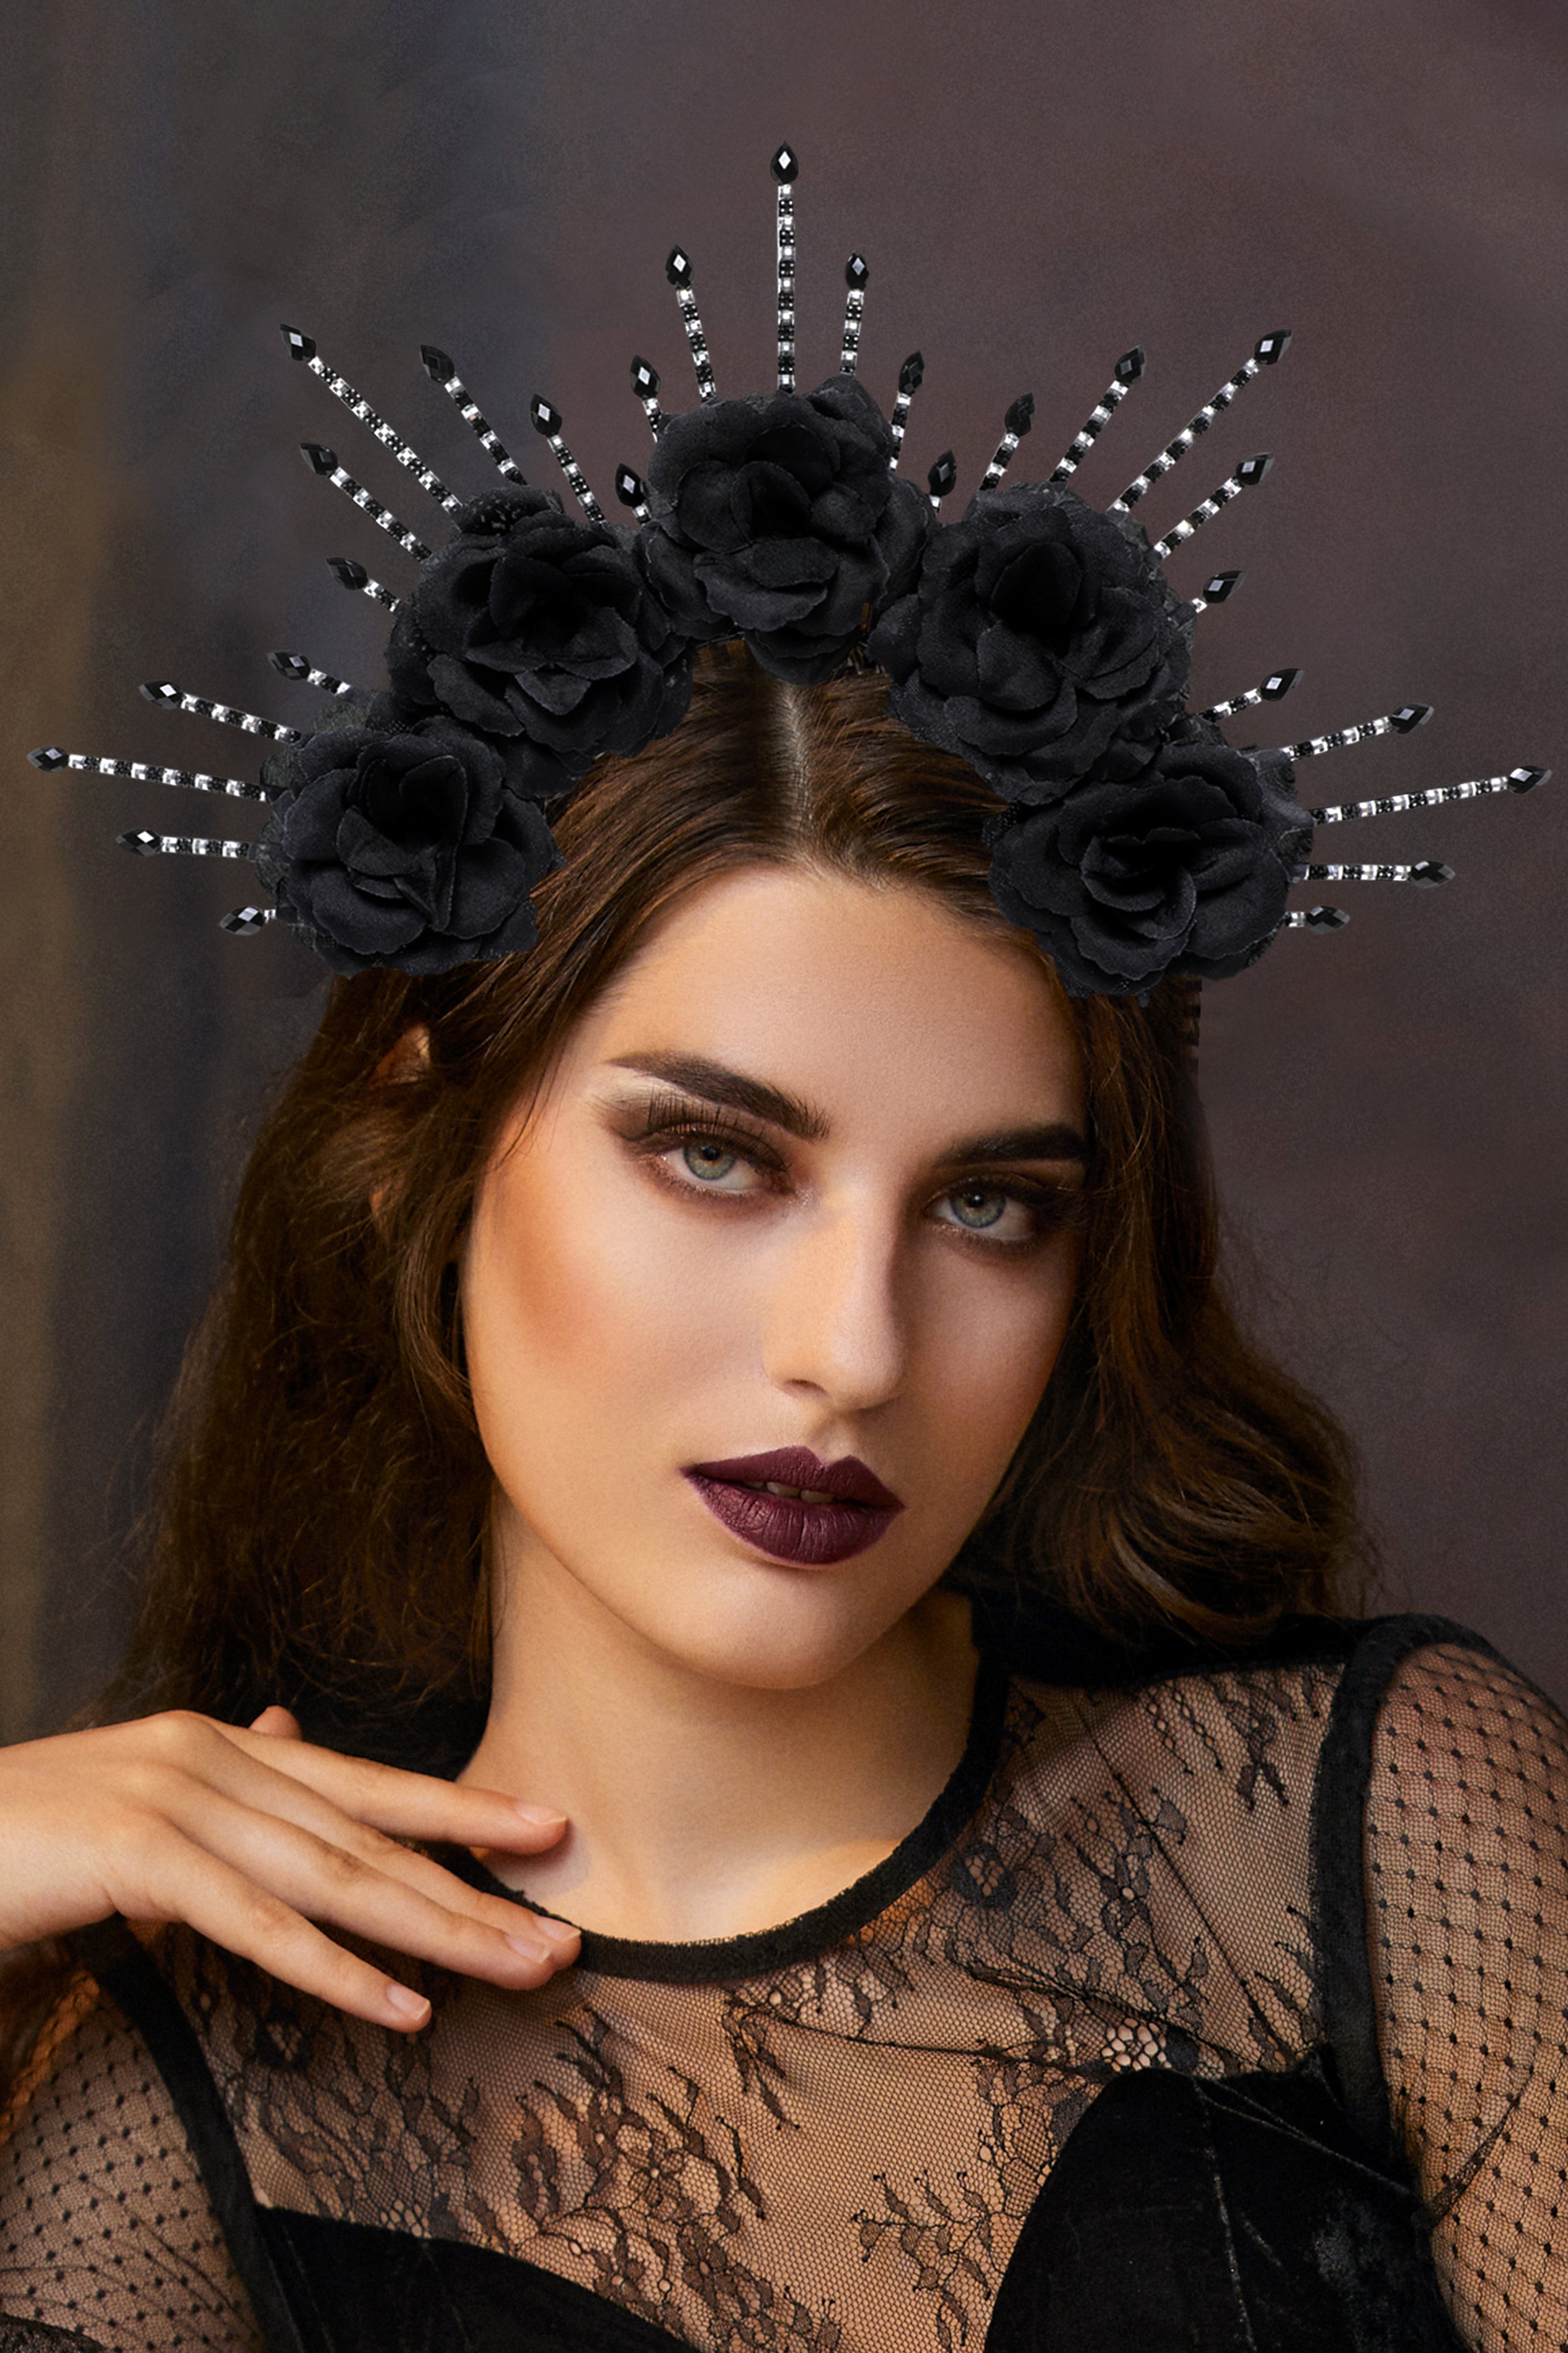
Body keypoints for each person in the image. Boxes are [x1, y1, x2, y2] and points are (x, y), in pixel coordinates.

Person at [2, 160, 1563, 2350]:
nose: (855, 1351)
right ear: (418, 1127)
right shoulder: (193, 2131)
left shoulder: (1378, 1833)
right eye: (717, 1156)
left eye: (992, 1203)